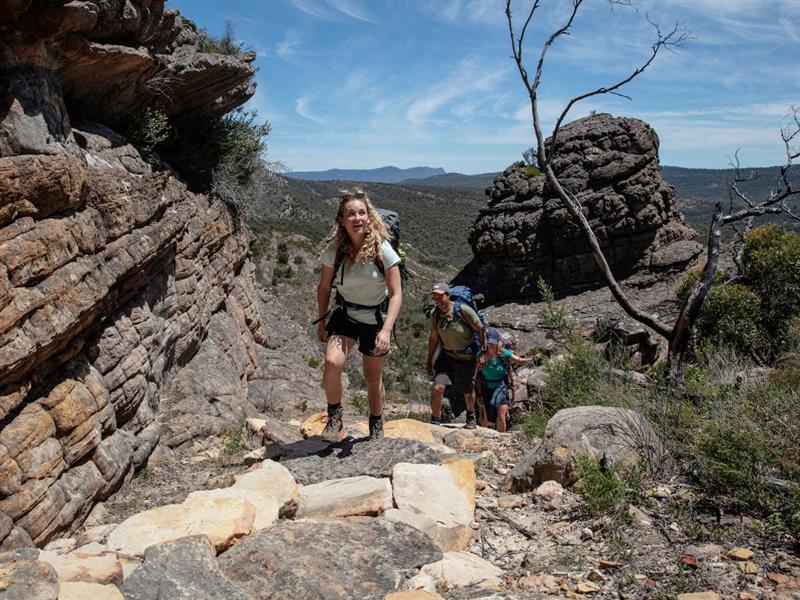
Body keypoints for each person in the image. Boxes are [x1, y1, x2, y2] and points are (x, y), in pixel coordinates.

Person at [315, 188, 402, 441]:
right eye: (350, 214)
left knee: (372, 377)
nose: (357, 218)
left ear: (370, 217)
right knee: (332, 362)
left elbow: (396, 294)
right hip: (346, 314)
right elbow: (323, 287)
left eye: (362, 213)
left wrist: (386, 330)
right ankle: (334, 418)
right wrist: (321, 321)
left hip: (375, 320)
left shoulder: (381, 249)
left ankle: (376, 422)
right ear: (341, 220)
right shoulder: (335, 250)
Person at [426, 283, 485, 428]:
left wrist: (482, 353)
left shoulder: (462, 310)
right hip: (447, 356)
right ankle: (435, 421)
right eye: (434, 296)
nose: (437, 299)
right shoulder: (436, 314)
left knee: (467, 389)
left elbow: (481, 329)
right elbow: (434, 338)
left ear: (448, 295)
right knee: (438, 387)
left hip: (466, 357)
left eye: (440, 296)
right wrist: (429, 360)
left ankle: (471, 416)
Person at [476, 328, 535, 432]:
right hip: (486, 387)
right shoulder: (481, 355)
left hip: (501, 385)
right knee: (485, 418)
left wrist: (532, 359)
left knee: (501, 417)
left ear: (498, 342)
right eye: (488, 342)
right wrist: (479, 394)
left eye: (493, 343)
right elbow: (477, 376)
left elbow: (519, 361)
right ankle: (486, 438)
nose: (490, 345)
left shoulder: (504, 354)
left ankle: (501, 438)